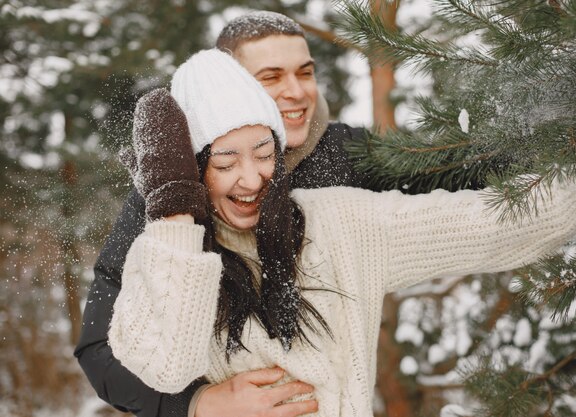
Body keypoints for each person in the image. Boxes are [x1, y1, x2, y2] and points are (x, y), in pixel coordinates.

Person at [107, 49, 576, 417]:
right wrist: (175, 213)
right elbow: (166, 369)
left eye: (265, 155)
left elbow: (480, 223)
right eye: (225, 161)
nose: (251, 178)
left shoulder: (338, 223)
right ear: (191, 169)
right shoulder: (160, 256)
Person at [74, 11, 370, 417]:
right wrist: (197, 403)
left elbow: (457, 180)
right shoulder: (172, 193)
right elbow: (98, 349)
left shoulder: (348, 153)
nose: (296, 92)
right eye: (270, 78)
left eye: (304, 73)